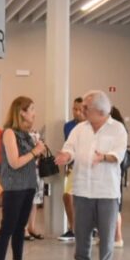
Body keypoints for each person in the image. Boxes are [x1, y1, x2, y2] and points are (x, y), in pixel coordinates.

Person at [54, 90, 128, 260]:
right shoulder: (80, 129)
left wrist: (103, 157)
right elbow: (70, 147)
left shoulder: (117, 129)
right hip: (82, 188)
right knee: (82, 230)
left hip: (107, 190)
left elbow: (119, 155)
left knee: (107, 231)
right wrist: (66, 156)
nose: (82, 110)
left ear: (100, 111)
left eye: (86, 107)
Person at [0, 96, 46, 260]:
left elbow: (29, 160)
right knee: (7, 227)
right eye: (31, 109)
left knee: (20, 227)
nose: (34, 113)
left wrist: (38, 152)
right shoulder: (9, 133)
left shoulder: (26, 133)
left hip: (29, 184)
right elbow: (14, 163)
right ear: (21, 112)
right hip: (14, 187)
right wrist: (35, 151)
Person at [59, 97, 84, 241]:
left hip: (88, 167)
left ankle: (90, 228)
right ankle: (72, 228)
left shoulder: (91, 126)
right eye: (75, 109)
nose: (77, 112)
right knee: (67, 196)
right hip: (72, 166)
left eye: (80, 109)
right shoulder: (68, 126)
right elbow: (69, 146)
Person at [111, 105, 129, 248]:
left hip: (115, 172)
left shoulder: (118, 130)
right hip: (113, 172)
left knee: (116, 206)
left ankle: (118, 237)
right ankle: (111, 236)